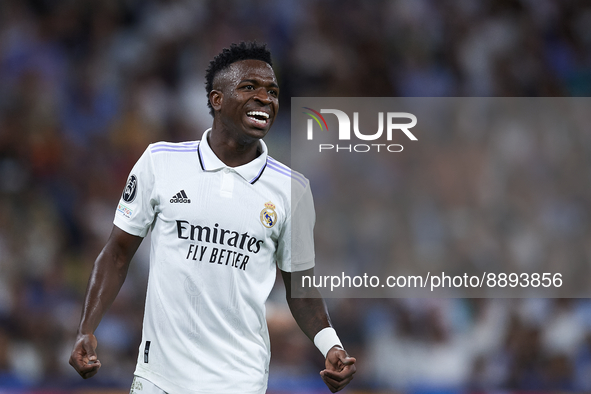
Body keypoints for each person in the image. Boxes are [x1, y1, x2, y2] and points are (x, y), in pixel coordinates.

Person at [69, 41, 356, 393]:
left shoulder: (292, 190)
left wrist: (331, 345)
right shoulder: (160, 162)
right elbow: (116, 253)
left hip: (240, 380)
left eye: (273, 92)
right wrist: (87, 328)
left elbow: (299, 286)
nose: (265, 98)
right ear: (216, 99)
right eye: (250, 87)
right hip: (159, 377)